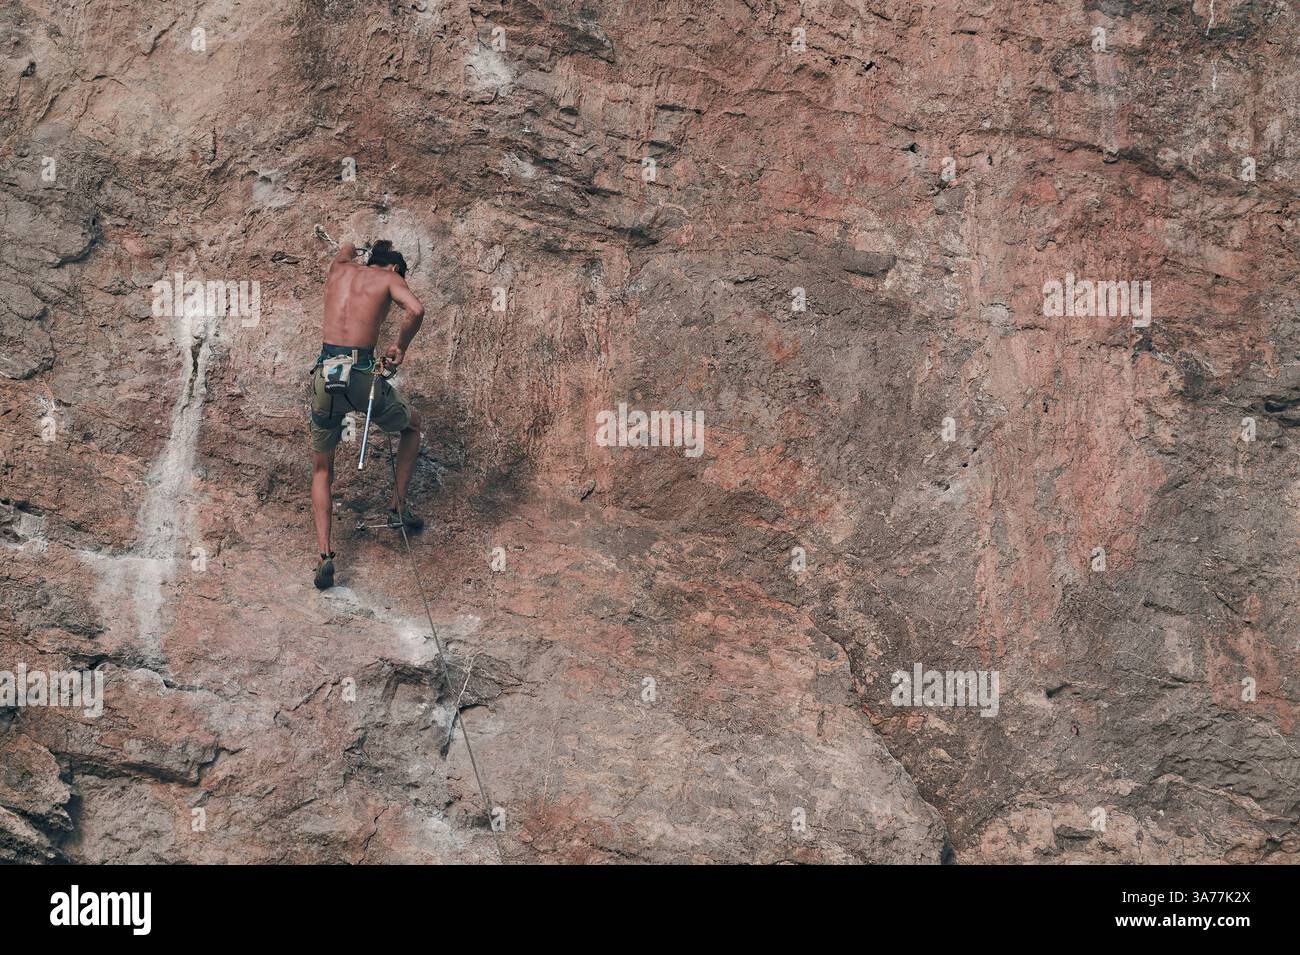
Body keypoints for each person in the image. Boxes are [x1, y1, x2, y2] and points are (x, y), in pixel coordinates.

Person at [308, 238, 426, 589]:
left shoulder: (340, 268)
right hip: (361, 376)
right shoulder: (389, 278)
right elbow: (415, 311)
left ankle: (325, 554)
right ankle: (398, 505)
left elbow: (344, 247)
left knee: (321, 468)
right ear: (394, 268)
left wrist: (361, 247)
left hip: (326, 375)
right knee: (412, 426)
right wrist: (399, 347)